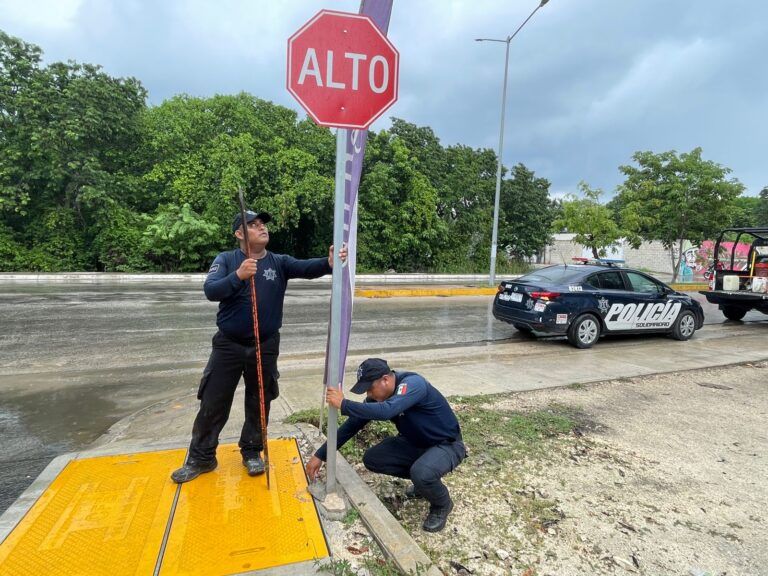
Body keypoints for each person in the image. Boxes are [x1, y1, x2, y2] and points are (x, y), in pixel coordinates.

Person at [171, 209, 346, 483]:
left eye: (262, 224)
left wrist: (328, 262)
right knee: (213, 401)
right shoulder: (227, 260)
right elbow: (211, 291)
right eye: (253, 225)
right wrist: (238, 276)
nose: (261, 228)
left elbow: (306, 268)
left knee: (259, 401)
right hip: (228, 345)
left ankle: (252, 451)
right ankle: (201, 458)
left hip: (265, 345)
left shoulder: (279, 262)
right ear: (239, 234)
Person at [305, 358, 466, 533]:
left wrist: (344, 404)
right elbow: (350, 427)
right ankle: (425, 482)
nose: (368, 395)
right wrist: (321, 455)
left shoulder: (413, 384)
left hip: (446, 445)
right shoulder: (378, 397)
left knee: (422, 473)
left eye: (369, 388)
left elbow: (387, 411)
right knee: (374, 459)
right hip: (415, 443)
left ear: (385, 380)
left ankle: (442, 504)